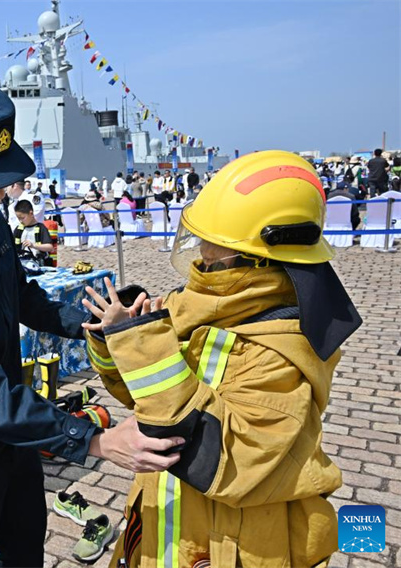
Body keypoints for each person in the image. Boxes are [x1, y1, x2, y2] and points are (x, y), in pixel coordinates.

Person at [0, 76, 182, 567]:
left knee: (24, 548)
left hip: (13, 434)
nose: (0, 188)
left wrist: (93, 321)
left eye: (2, 173)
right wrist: (95, 440)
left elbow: (20, 296)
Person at [83, 150, 361, 568]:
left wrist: (144, 347)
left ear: (261, 259)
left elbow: (225, 460)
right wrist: (113, 342)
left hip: (228, 542)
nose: (202, 258)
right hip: (167, 524)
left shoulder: (280, 349)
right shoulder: (200, 304)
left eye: (215, 252)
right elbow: (147, 404)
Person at [12, 199, 54, 266]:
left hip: (39, 263)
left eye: (22, 218)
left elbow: (50, 247)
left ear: (31, 213)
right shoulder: (18, 230)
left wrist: (33, 245)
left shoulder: (41, 228)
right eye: (18, 218)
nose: (20, 221)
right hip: (22, 263)